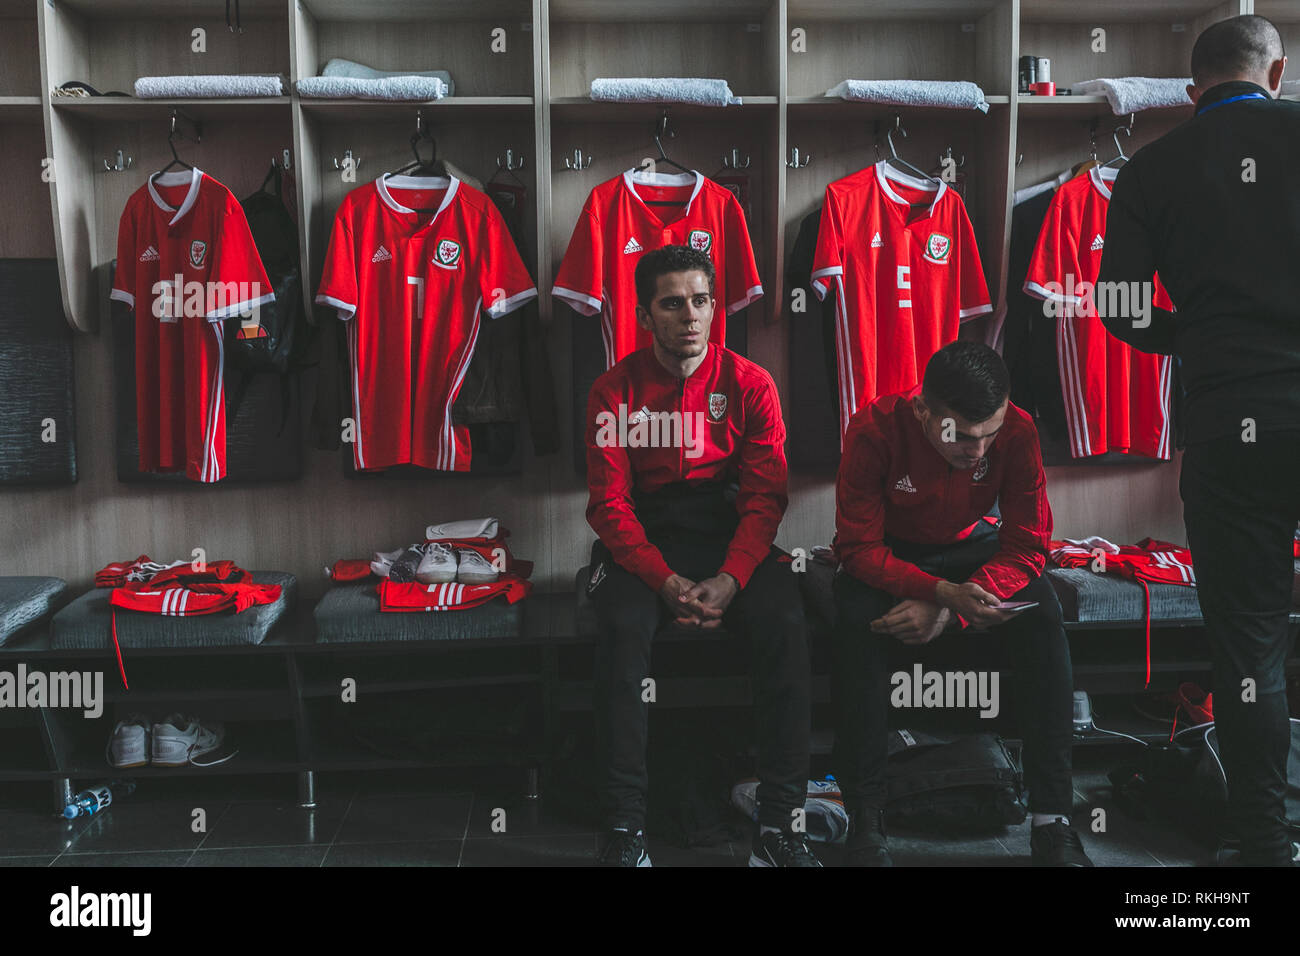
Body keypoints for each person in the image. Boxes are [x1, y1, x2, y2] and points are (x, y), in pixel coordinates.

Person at [1097, 14, 1300, 866]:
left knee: (1249, 642)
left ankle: (1261, 839)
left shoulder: (1150, 168)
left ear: (1191, 90)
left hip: (1232, 427)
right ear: (1277, 72)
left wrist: (1204, 337)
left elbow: (1119, 309)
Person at [584, 245, 817, 867]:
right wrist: (664, 581)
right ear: (643, 314)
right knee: (622, 626)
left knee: (787, 620)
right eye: (672, 302)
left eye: (701, 300)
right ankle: (625, 830)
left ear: (715, 307)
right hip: (646, 533)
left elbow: (766, 498)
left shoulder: (751, 383)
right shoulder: (612, 391)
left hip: (727, 527)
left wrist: (732, 578)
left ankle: (778, 826)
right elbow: (610, 506)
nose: (689, 314)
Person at [832, 341, 1092, 866]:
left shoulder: (1017, 431)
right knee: (858, 623)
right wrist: (939, 593)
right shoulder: (872, 430)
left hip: (974, 550)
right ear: (922, 409)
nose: (977, 449)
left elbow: (1028, 545)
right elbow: (858, 548)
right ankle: (866, 814)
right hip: (891, 554)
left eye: (988, 435)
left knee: (1044, 618)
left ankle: (1052, 820)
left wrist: (950, 608)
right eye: (962, 435)